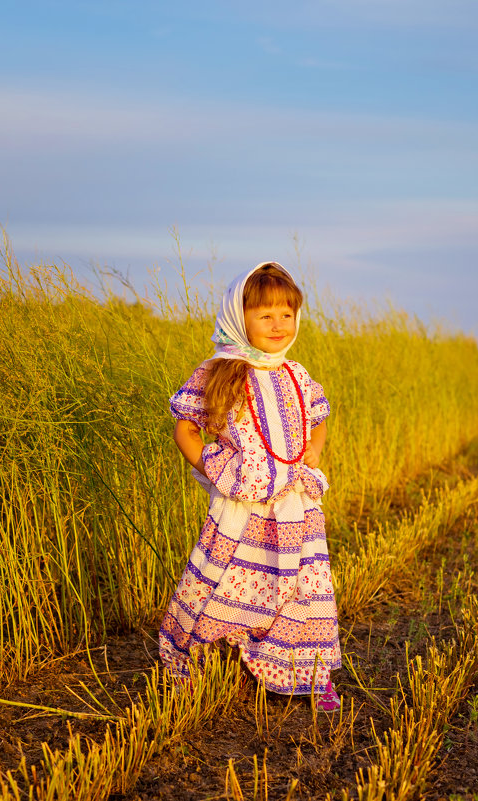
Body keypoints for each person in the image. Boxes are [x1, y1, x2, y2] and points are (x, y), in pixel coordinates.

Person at [159, 261, 341, 710]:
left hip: (295, 504)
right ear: (239, 319)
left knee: (302, 584)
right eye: (265, 315)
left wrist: (314, 449)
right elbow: (186, 428)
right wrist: (212, 464)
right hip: (242, 505)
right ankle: (196, 658)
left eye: (287, 313)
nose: (279, 324)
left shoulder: (296, 375)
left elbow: (318, 419)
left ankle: (309, 670)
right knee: (223, 578)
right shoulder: (219, 371)